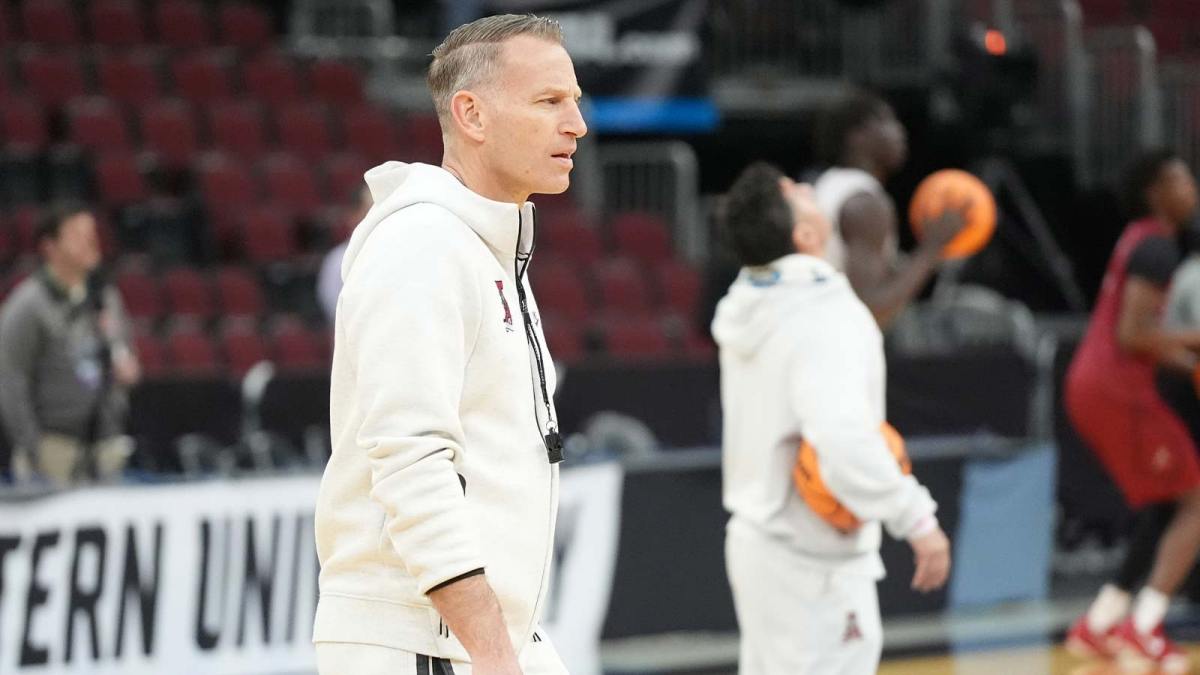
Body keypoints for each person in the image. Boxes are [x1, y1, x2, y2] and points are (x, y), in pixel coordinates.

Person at [313, 14, 586, 675]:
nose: (577, 124)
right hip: (425, 639)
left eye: (574, 101)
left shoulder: (483, 244)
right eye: (549, 101)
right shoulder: (422, 244)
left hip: (478, 639)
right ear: (472, 114)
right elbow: (411, 459)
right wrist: (491, 651)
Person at [712, 161, 951, 674]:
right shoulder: (822, 314)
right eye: (796, 192)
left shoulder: (746, 301)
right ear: (804, 235)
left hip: (757, 546)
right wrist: (916, 517)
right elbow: (843, 440)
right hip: (814, 560)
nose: (807, 186)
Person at [1064, 150, 1200, 674]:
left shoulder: (1140, 238)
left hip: (1096, 382)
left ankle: (1101, 622)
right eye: (1180, 180)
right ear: (1154, 192)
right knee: (1197, 501)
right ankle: (1143, 628)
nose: (1191, 188)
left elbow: (1143, 338)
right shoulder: (1157, 248)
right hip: (1117, 389)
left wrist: (1189, 362)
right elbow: (1134, 335)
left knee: (1169, 502)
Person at [0, 206, 140, 486]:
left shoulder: (105, 297)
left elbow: (126, 355)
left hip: (105, 446)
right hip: (53, 449)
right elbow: (10, 381)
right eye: (77, 235)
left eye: (92, 234)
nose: (90, 242)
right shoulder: (27, 305)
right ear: (50, 247)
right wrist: (34, 447)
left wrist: (129, 371)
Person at [813, 89, 968, 328]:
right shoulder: (865, 203)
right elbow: (869, 308)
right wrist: (932, 248)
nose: (901, 131)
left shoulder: (830, 184)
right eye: (887, 121)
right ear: (856, 136)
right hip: (833, 341)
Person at [317, 185, 374, 323]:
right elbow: (332, 305)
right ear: (353, 216)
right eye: (369, 211)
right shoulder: (337, 260)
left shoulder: (396, 252)